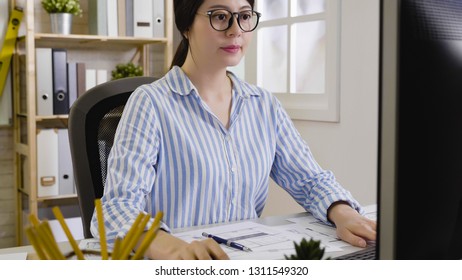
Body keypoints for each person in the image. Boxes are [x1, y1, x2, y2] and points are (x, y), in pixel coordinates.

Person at [91, 0, 376, 260]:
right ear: (186, 25)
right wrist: (164, 243)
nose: (235, 30)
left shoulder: (264, 106)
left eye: (244, 16)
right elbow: (116, 208)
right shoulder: (151, 103)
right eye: (220, 17)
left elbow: (310, 180)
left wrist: (342, 212)